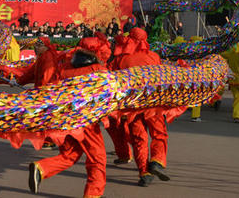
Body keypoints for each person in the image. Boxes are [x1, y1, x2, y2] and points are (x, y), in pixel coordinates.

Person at [28, 36, 110, 198]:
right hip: (86, 122)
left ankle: (42, 168)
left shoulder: (64, 67)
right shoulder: (98, 71)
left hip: (65, 120)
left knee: (70, 154)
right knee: (97, 158)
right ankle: (93, 194)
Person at [114, 27, 169, 187]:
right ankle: (157, 161)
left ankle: (144, 172)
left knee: (139, 139)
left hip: (132, 106)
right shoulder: (154, 56)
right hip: (152, 104)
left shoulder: (120, 59)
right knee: (159, 134)